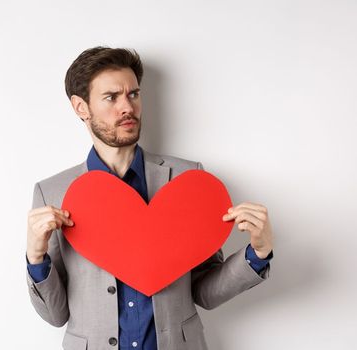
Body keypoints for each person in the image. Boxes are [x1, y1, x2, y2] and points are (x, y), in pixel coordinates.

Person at [25, 47, 274, 350]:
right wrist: (36, 257)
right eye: (111, 97)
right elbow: (55, 314)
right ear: (81, 107)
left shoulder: (188, 179)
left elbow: (204, 291)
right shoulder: (52, 193)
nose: (127, 107)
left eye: (133, 94)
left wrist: (257, 254)